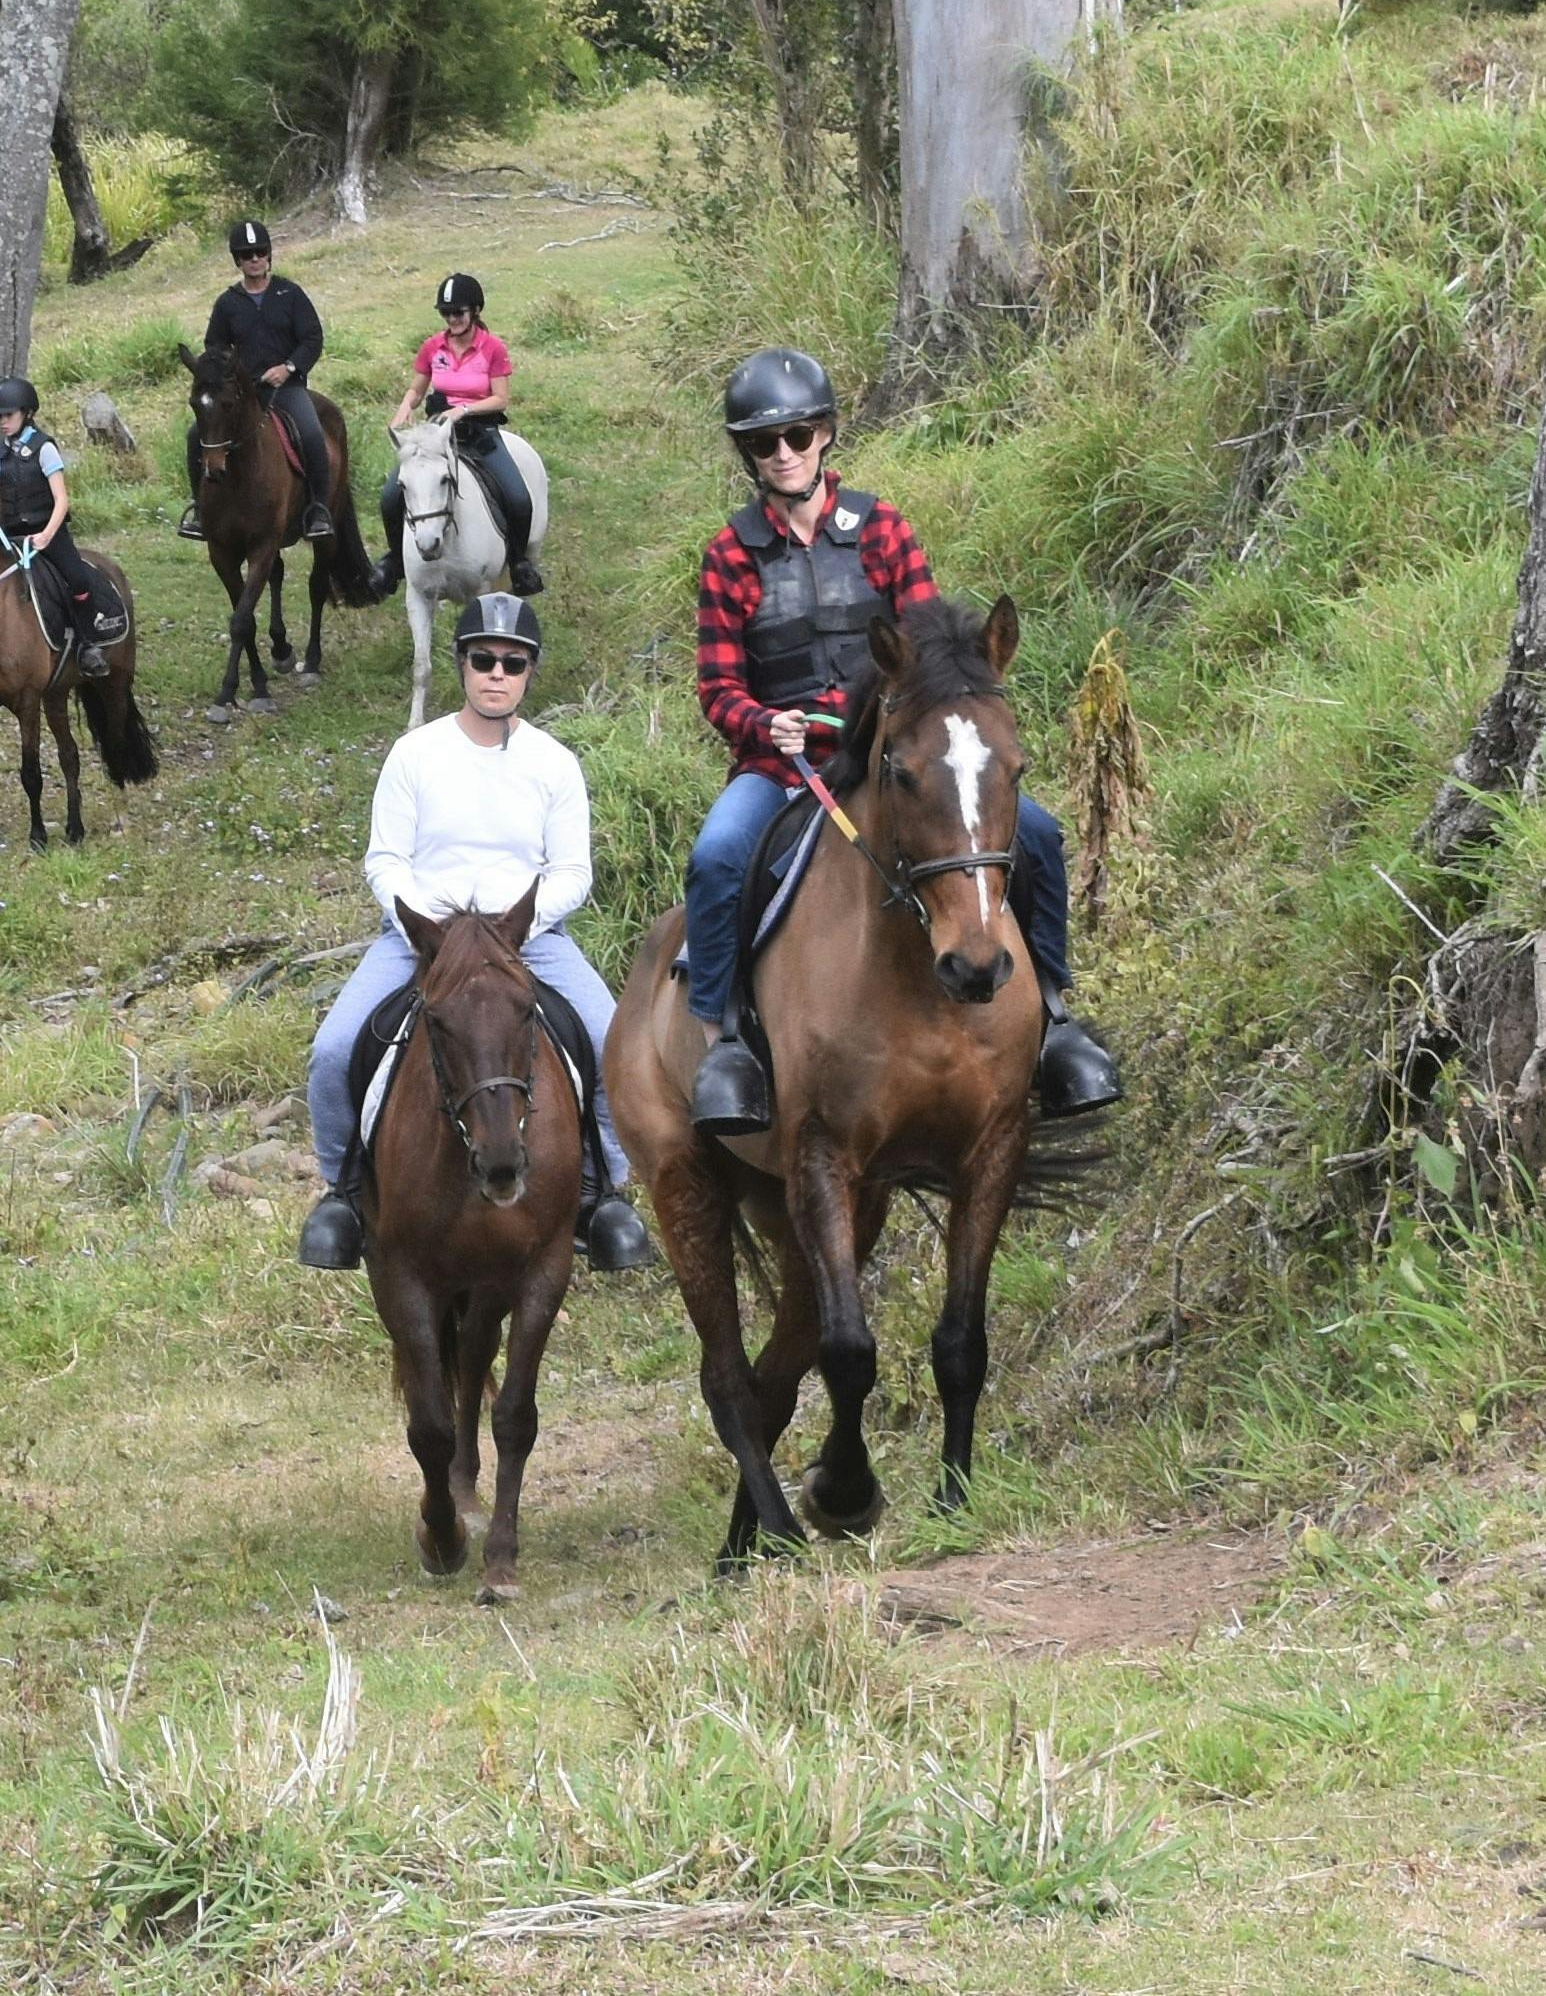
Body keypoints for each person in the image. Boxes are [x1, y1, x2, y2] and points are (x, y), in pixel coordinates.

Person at [676, 346, 1115, 1134]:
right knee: (717, 858)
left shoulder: (882, 529)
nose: (783, 454)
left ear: (825, 435)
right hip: (784, 767)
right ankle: (726, 1042)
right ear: (748, 453)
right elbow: (717, 685)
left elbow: (935, 649)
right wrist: (762, 722)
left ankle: (1054, 1018)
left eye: (798, 435)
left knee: (1040, 836)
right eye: (764, 443)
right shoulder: (729, 555)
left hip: (892, 758)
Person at [301, 595, 660, 1275]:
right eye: (484, 659)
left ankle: (600, 1190)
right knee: (333, 1049)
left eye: (512, 663)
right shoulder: (415, 754)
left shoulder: (554, 763)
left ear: (529, 673)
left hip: (527, 936)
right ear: (462, 664)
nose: (497, 673)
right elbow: (385, 860)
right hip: (422, 938)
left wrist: (510, 927)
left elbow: (572, 871)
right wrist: (430, 927)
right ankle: (343, 1193)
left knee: (612, 1039)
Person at [203, 218, 359, 581]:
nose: (254, 259)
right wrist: (229, 373)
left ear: (269, 255)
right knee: (198, 435)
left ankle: (318, 510)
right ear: (237, 260)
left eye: (260, 252)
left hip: (286, 389)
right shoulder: (227, 303)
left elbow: (312, 338)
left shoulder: (290, 295)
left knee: (312, 434)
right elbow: (214, 347)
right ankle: (201, 510)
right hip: (242, 395)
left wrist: (288, 367)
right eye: (246, 255)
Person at [397, 270, 534, 592]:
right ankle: (393, 561)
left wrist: (465, 410)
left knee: (518, 496)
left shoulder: (493, 348)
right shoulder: (432, 347)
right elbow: (417, 389)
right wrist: (405, 406)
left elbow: (501, 398)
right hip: (437, 436)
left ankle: (518, 562)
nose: (452, 319)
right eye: (446, 313)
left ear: (475, 311)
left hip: (480, 433)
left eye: (458, 312)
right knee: (392, 494)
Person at [0, 376, 95, 652]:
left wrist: (46, 536)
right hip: (12, 536)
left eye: (8, 415)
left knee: (78, 580)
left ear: (27, 413)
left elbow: (61, 500)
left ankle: (88, 643)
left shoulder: (45, 449)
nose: (2, 422)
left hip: (47, 532)